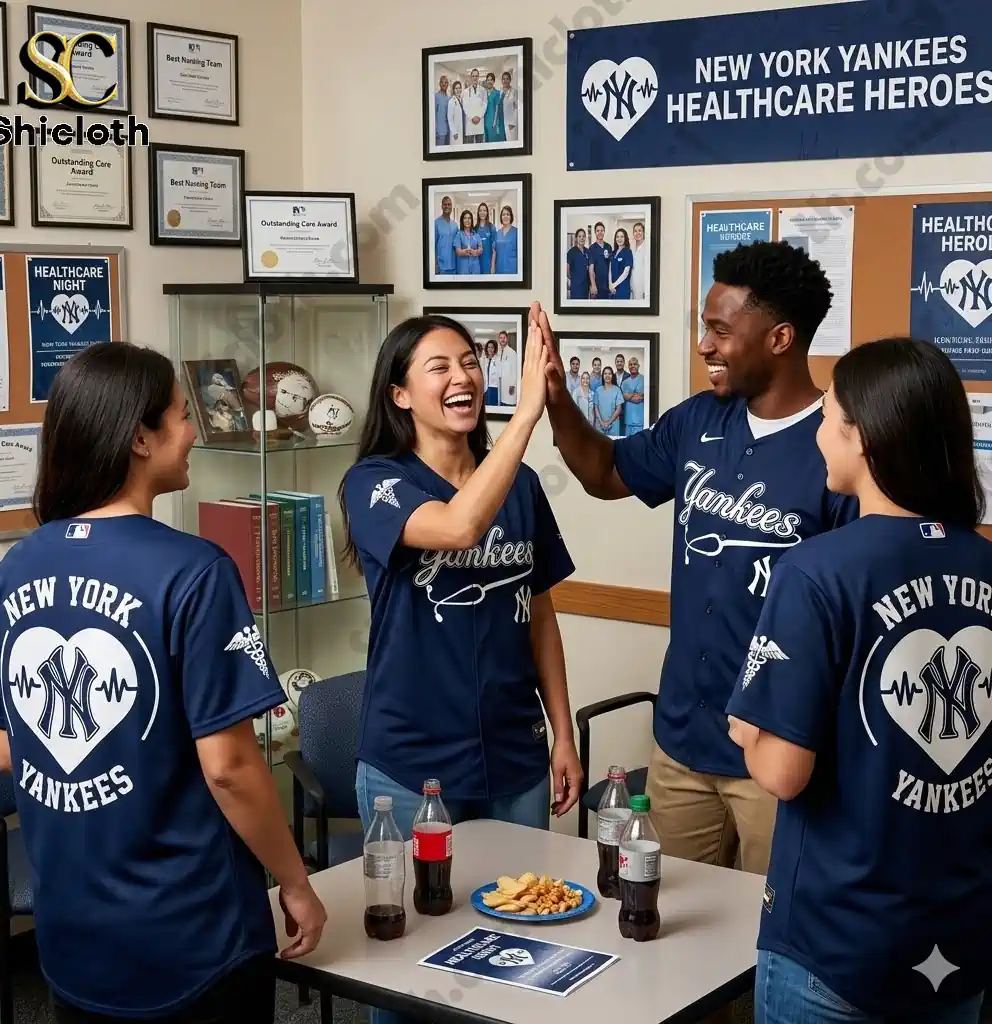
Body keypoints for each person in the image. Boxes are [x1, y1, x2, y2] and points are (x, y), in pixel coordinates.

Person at [0, 343, 326, 1024]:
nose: (194, 428)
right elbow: (230, 769)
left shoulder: (17, 567)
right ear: (140, 438)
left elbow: (5, 751)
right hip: (192, 937)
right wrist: (295, 881)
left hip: (72, 933)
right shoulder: (195, 571)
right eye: (179, 414)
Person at [531, 239, 859, 880]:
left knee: (771, 937)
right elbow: (603, 471)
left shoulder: (838, 448)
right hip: (681, 743)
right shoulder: (696, 422)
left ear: (780, 338)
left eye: (720, 331)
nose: (704, 346)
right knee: (667, 918)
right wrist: (557, 401)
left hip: (779, 751)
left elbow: (854, 614)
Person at [727, 338, 990, 1023]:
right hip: (959, 944)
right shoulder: (984, 564)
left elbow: (784, 772)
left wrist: (747, 733)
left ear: (864, 438)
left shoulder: (816, 573)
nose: (816, 432)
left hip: (837, 949)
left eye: (828, 416)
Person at [338, 314, 582, 1024]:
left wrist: (561, 735)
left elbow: (541, 614)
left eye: (471, 361)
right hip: (412, 767)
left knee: (515, 953)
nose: (463, 377)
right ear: (400, 396)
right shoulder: (375, 484)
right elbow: (456, 526)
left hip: (515, 759)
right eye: (439, 367)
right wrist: (528, 414)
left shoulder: (523, 486)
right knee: (411, 964)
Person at [593, 366, 624, 437]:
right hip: (600, 426)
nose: (607, 376)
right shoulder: (598, 390)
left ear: (612, 376)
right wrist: (601, 422)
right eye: (605, 374)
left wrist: (608, 422)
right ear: (602, 376)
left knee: (613, 446)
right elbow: (596, 408)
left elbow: (619, 409)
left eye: (609, 374)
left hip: (613, 425)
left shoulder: (617, 390)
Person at [453, 209, 481, 275]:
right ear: (462, 220)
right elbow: (457, 251)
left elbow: (480, 248)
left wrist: (475, 252)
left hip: (475, 268)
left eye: (469, 218)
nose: (467, 220)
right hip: (463, 268)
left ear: (471, 220)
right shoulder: (459, 235)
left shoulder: (476, 234)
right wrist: (465, 252)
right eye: (465, 218)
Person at [566, 228, 591, 301]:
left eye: (583, 236)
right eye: (579, 236)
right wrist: (574, 279)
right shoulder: (571, 252)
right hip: (576, 287)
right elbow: (567, 270)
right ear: (576, 238)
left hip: (586, 286)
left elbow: (589, 268)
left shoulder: (587, 251)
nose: (582, 238)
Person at [492, 205, 517, 276]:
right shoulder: (497, 233)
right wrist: (493, 268)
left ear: (511, 217)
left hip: (513, 269)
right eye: (503, 214)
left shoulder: (517, 232)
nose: (505, 216)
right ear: (501, 217)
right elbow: (494, 252)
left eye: (508, 214)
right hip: (499, 268)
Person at [608, 228, 633, 299]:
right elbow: (610, 270)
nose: (619, 239)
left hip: (623, 288)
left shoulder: (628, 252)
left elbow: (626, 272)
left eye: (622, 236)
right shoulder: (613, 253)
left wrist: (614, 285)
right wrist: (610, 284)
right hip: (612, 289)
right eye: (617, 237)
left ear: (625, 238)